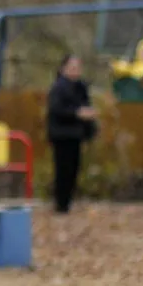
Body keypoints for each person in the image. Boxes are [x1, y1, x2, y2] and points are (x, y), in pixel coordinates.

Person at [46, 54, 97, 214]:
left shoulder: (81, 87)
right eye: (72, 67)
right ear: (63, 69)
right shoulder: (58, 88)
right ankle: (61, 204)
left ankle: (67, 202)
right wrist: (77, 113)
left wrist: (90, 126)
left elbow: (86, 106)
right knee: (63, 169)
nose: (75, 71)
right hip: (61, 134)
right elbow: (57, 110)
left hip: (76, 134)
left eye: (77, 68)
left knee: (73, 170)